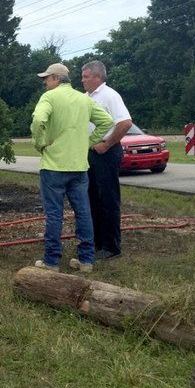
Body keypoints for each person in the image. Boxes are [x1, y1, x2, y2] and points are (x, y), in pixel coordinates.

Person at [30, 63, 113, 273]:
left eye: (47, 78)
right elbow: (107, 121)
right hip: (78, 166)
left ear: (57, 79)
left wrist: (38, 143)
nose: (45, 82)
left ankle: (51, 261)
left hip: (53, 166)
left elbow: (39, 119)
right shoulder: (84, 99)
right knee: (83, 212)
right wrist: (88, 142)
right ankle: (86, 260)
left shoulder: (49, 98)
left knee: (54, 214)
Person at [81, 60, 132, 260]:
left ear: (98, 77)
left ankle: (112, 247)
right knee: (91, 197)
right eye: (82, 76)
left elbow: (125, 123)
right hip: (90, 151)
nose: (82, 80)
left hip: (106, 151)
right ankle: (97, 243)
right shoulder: (85, 97)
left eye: (86, 76)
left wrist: (108, 143)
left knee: (107, 199)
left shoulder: (110, 96)